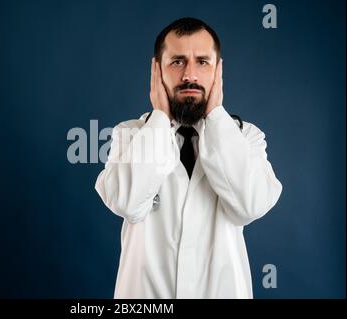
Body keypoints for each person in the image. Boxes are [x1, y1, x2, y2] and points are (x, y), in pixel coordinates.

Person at [94, 17, 282, 299]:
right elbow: (127, 202)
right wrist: (159, 117)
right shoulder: (130, 135)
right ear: (157, 70)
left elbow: (250, 205)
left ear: (218, 71)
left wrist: (216, 115)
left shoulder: (246, 137)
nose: (189, 75)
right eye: (177, 61)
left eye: (203, 62)